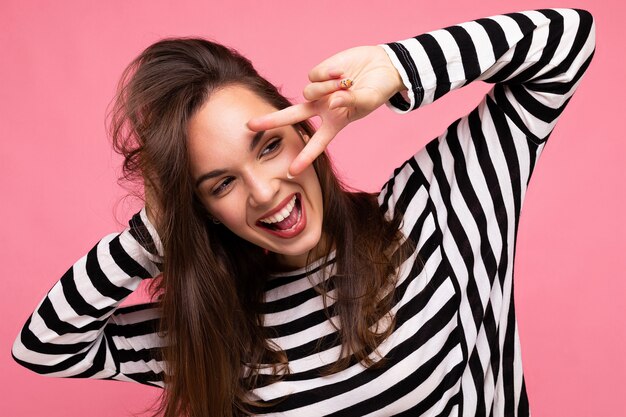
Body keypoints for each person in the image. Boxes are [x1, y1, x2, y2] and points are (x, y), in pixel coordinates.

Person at [12, 7, 596, 417]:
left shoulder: (436, 214)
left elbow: (568, 42)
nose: (264, 192)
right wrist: (161, 227)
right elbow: (44, 348)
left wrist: (399, 69)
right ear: (205, 212)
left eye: (268, 146)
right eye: (220, 185)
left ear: (302, 124)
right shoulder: (213, 327)